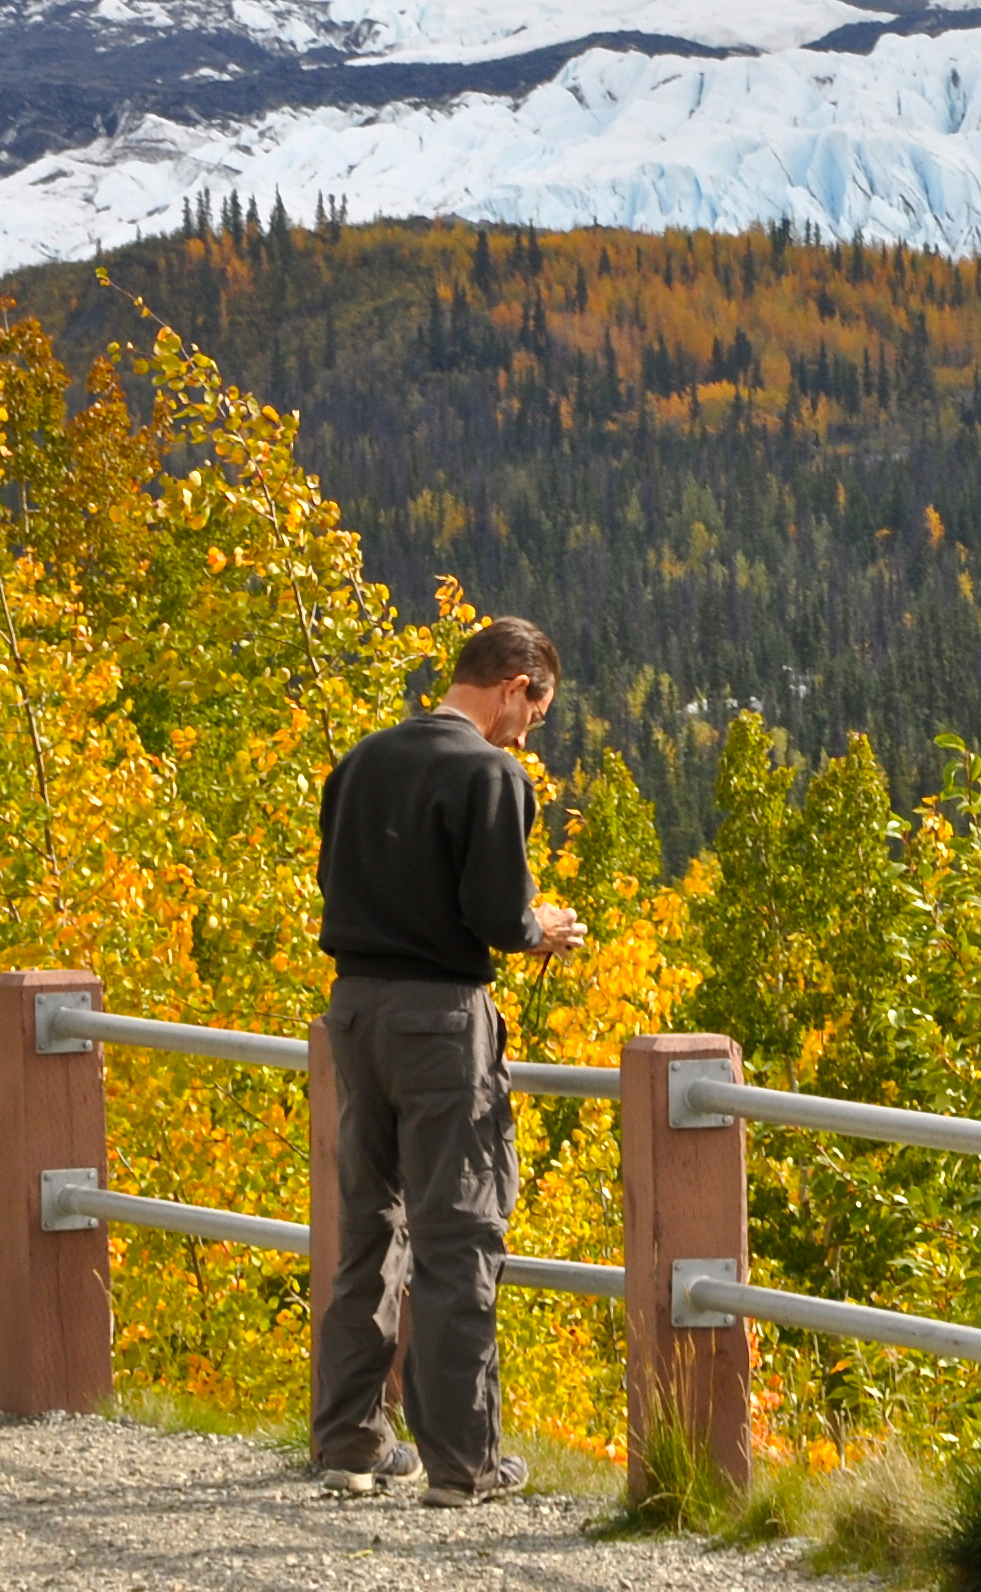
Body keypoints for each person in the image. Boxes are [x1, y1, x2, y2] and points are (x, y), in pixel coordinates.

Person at [309, 618, 590, 1506]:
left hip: (354, 1009)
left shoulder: (359, 763)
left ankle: (352, 1443)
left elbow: (335, 884)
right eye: (535, 714)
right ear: (514, 686)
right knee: (458, 1232)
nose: (527, 733)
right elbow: (499, 912)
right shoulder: (489, 774)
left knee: (368, 1228)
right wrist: (540, 929)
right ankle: (463, 1461)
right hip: (439, 1018)